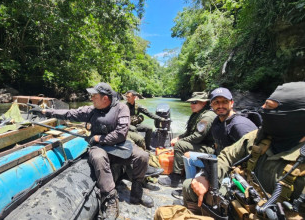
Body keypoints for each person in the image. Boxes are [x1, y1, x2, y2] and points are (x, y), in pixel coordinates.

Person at [31, 83, 154, 219]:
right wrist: (44, 111)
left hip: (119, 145)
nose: (92, 99)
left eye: (95, 96)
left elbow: (121, 133)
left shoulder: (122, 108)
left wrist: (98, 137)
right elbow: (69, 113)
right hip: (99, 147)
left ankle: (137, 190)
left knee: (142, 156)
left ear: (105, 99)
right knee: (98, 158)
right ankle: (111, 199)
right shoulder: (91, 110)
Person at [183, 82, 305, 218]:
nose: (262, 109)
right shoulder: (259, 136)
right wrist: (207, 177)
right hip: (244, 198)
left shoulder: (240, 125)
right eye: (264, 104)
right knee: (190, 186)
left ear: (295, 116)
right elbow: (227, 155)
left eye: (269, 107)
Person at [182, 87, 257, 180]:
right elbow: (217, 145)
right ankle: (190, 186)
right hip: (218, 158)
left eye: (225, 102)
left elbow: (254, 155)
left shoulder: (239, 125)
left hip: (235, 168)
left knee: (202, 179)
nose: (220, 106)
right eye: (216, 102)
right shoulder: (217, 121)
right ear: (211, 105)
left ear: (232, 103)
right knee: (188, 157)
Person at [158, 92, 216, 188]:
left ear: (204, 103)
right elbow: (189, 132)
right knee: (179, 141)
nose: (191, 105)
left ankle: (175, 179)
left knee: (180, 145)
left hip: (208, 147)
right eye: (191, 102)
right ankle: (181, 172)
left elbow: (197, 137)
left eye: (194, 102)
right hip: (200, 144)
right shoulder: (196, 114)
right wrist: (179, 137)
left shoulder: (207, 116)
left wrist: (180, 141)